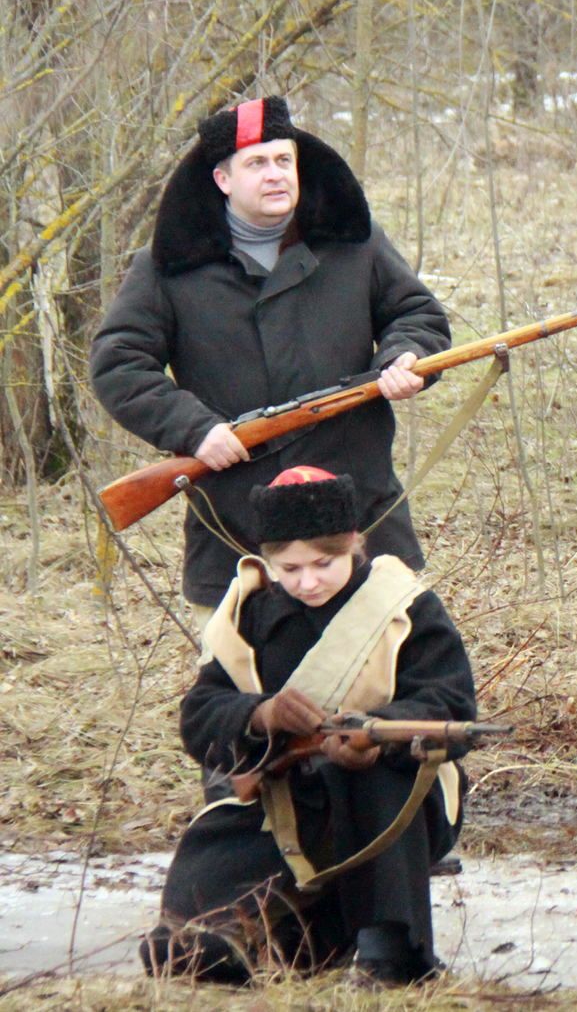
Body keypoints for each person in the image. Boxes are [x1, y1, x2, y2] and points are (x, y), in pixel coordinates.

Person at [91, 98, 448, 625]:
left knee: (389, 662)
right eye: (256, 163)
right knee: (245, 675)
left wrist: (405, 357)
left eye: (284, 160)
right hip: (238, 525)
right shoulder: (167, 268)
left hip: (360, 511)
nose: (275, 174)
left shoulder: (356, 243)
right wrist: (196, 430)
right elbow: (119, 364)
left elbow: (416, 314)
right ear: (222, 179)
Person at [141, 466, 477, 986]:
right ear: (268, 560)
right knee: (184, 947)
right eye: (290, 568)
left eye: (324, 563)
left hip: (393, 800)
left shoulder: (405, 607)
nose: (308, 582)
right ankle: (258, 943)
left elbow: (450, 703)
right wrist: (261, 714)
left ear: (354, 544)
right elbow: (201, 715)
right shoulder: (247, 615)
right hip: (281, 800)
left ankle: (392, 951)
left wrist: (376, 734)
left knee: (376, 784)